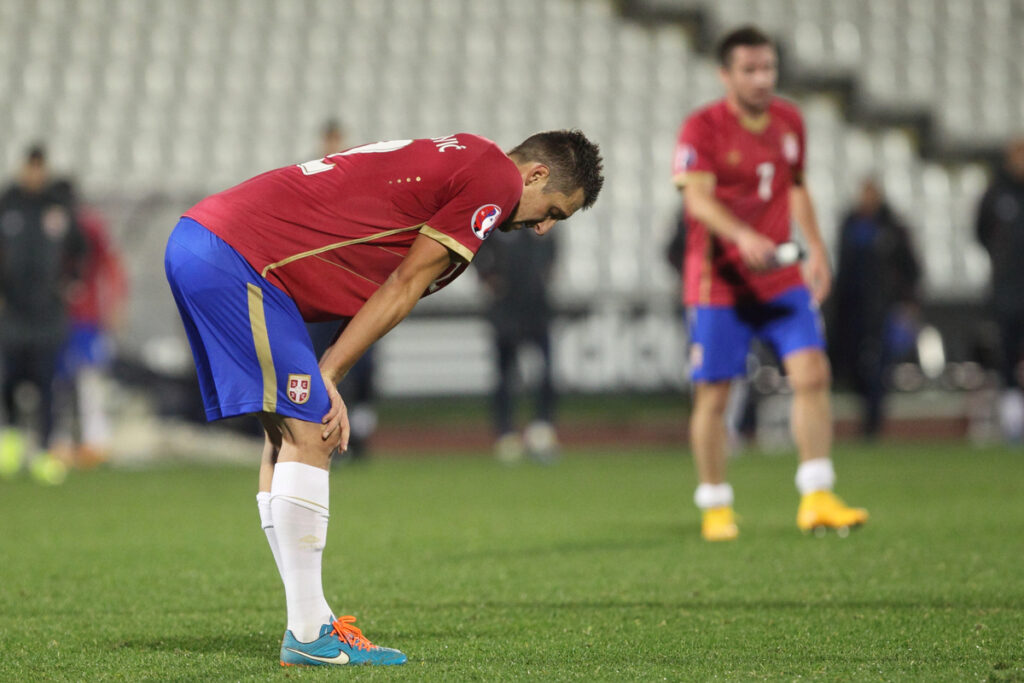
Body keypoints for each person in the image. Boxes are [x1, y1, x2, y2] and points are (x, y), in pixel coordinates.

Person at [164, 130, 603, 665]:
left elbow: (365, 262)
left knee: (287, 437)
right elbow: (405, 282)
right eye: (553, 210)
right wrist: (331, 373)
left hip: (216, 244)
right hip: (238, 257)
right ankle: (308, 635)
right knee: (315, 429)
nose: (544, 227)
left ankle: (312, 621)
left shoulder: (465, 156)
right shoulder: (494, 178)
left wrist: (327, 371)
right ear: (535, 175)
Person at [671, 26, 867, 541]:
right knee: (714, 396)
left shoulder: (789, 120)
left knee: (813, 374)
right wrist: (742, 235)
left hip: (780, 278)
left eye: (768, 68)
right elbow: (696, 199)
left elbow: (795, 186)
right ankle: (716, 506)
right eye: (750, 70)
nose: (762, 78)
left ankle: (817, 495)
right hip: (720, 283)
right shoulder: (702, 127)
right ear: (725, 74)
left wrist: (817, 246)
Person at [0, 145, 86, 484]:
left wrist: (71, 281)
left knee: (47, 383)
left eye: (39, 168)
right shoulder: (8, 204)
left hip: (48, 314)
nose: (34, 174)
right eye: (30, 167)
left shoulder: (58, 207)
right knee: (8, 379)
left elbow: (80, 249)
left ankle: (45, 451)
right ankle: (10, 440)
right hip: (13, 312)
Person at [305, 118, 379, 461]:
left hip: (356, 294)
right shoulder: (312, 186)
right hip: (322, 295)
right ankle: (325, 435)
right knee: (323, 365)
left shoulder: (359, 189)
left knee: (362, 367)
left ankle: (357, 434)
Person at [830, 178, 921, 439]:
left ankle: (873, 421)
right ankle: (865, 414)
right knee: (854, 363)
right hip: (852, 308)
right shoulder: (849, 224)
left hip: (883, 307)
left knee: (879, 364)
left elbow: (910, 268)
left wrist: (907, 302)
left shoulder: (893, 227)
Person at [50, 180, 129, 467]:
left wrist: (115, 305)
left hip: (86, 317)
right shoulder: (51, 224)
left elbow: (112, 265)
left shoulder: (90, 226)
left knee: (89, 380)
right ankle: (59, 442)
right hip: (56, 316)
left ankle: (95, 442)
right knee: (59, 381)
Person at [474, 225, 558, 463]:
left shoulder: (541, 223)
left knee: (545, 372)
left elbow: (552, 251)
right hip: (506, 311)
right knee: (505, 375)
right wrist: (489, 278)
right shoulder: (498, 225)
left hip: (536, 308)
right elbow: (477, 252)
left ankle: (542, 427)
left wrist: (543, 276)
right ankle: (506, 432)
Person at [975, 137, 1024, 442]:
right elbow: (981, 232)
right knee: (1007, 349)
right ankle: (1012, 414)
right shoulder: (996, 193)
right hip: (1007, 288)